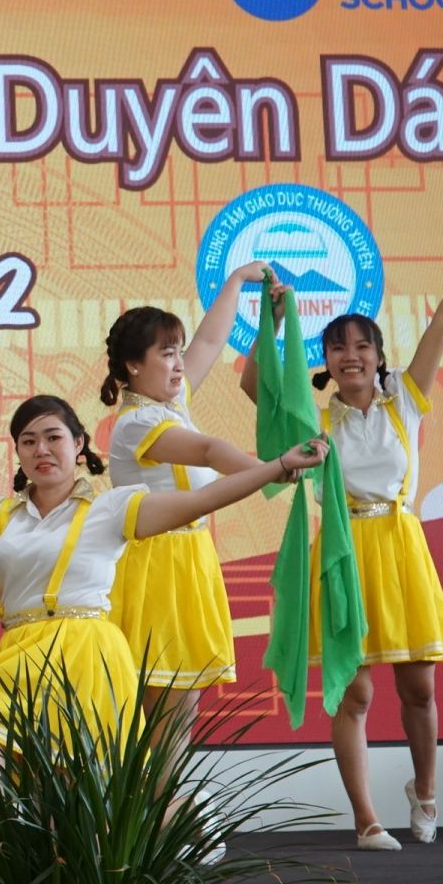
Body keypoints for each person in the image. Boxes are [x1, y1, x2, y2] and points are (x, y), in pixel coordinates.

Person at [241, 230, 443, 851]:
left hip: (402, 549)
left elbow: (442, 325)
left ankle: (426, 791)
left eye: (362, 345)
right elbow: (256, 382)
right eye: (337, 347)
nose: (350, 355)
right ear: (326, 361)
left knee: (419, 688)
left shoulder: (404, 402)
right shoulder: (313, 421)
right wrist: (272, 320)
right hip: (341, 555)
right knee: (352, 692)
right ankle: (366, 820)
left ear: (379, 356)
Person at [0, 395, 325, 756]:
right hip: (21, 652)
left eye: (53, 437)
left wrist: (276, 466)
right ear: (17, 452)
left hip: (88, 652)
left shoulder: (111, 508)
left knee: (85, 787)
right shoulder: (0, 514)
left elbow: (200, 501)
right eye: (28, 441)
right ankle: (13, 825)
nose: (41, 450)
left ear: (78, 444)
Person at [99, 262, 277, 738]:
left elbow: (211, 341)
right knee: (158, 708)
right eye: (166, 354)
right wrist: (275, 471)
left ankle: (161, 787)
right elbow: (209, 450)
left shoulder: (170, 405)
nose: (179, 363)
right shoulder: (136, 423)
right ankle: (146, 788)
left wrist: (237, 281)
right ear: (133, 366)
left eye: (178, 352)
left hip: (190, 559)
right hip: (154, 567)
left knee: (179, 713)